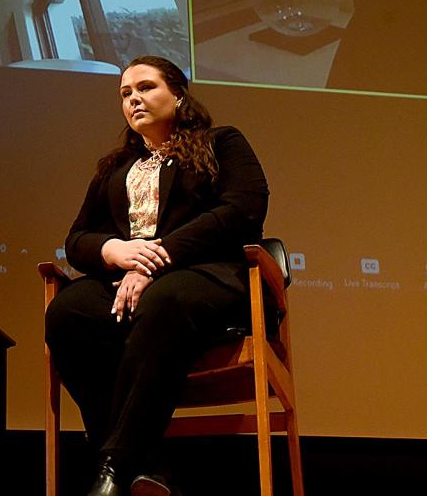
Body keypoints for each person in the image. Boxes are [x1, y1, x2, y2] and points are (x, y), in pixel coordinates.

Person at [44, 55, 269, 496]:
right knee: (67, 312)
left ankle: (112, 468)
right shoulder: (113, 168)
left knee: (165, 298)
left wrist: (158, 257)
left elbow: (243, 208)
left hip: (202, 276)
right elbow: (77, 238)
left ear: (178, 94)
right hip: (125, 282)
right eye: (125, 94)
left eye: (146, 88)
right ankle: (150, 467)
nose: (133, 99)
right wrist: (115, 250)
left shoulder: (220, 143)